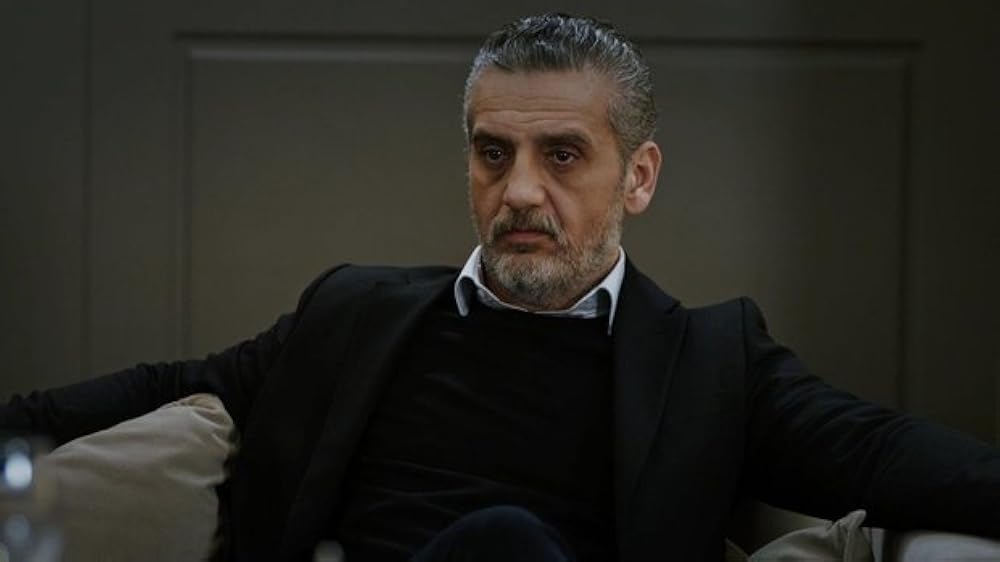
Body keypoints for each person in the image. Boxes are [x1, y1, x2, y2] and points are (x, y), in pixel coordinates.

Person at [2, 12, 999, 562]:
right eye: (493, 153)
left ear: (639, 178)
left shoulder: (711, 361)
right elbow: (161, 388)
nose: (519, 190)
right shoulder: (356, 310)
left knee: (506, 546)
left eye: (561, 154)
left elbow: (885, 455)